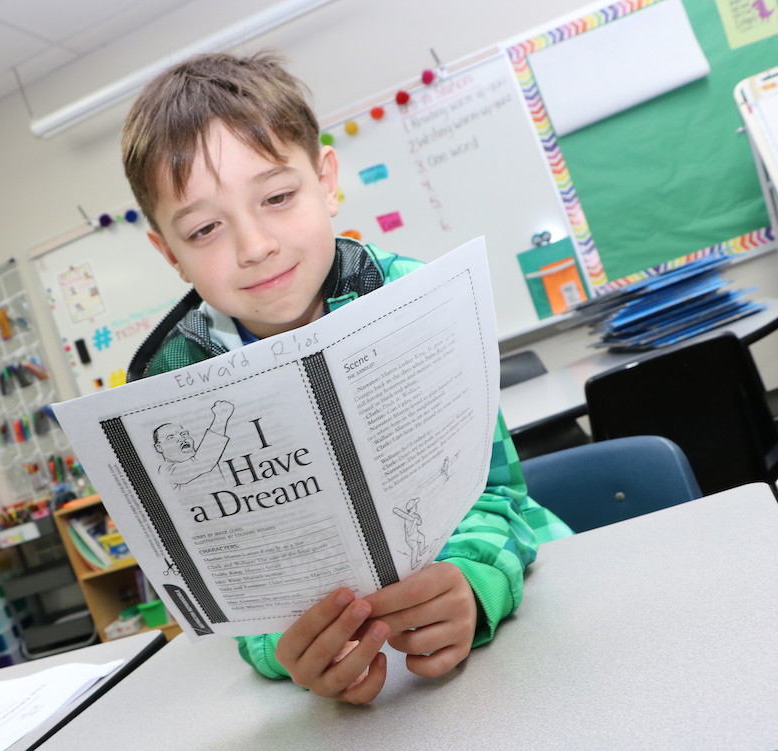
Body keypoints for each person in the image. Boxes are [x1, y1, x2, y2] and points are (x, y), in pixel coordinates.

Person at [122, 51, 572, 704]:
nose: (254, 245)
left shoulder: (418, 297)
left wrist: (476, 583)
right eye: (203, 229)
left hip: (515, 626)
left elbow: (497, 493)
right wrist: (282, 650)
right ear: (168, 251)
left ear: (327, 179)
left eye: (277, 197)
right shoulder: (172, 381)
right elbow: (233, 588)